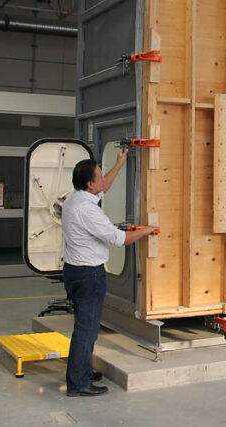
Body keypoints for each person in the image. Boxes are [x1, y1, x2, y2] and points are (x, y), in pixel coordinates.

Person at [62, 149, 158, 397]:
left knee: (85, 326)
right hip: (88, 275)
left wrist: (120, 163)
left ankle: (81, 370)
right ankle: (78, 383)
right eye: (100, 176)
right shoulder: (89, 211)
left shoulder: (75, 199)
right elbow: (120, 239)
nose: (104, 178)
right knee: (87, 329)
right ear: (90, 184)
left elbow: (105, 187)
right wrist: (147, 230)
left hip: (74, 271)